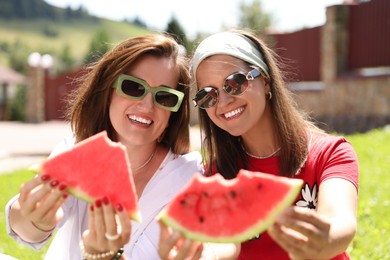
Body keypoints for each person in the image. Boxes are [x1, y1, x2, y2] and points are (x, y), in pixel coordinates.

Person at [160, 30, 359, 260]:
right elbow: (226, 244)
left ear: (265, 80)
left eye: (234, 82)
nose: (223, 101)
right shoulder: (216, 174)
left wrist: (325, 240)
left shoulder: (331, 153)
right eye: (208, 95)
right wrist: (205, 256)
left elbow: (340, 221)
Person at [5, 34, 204, 259]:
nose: (147, 105)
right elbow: (25, 231)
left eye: (165, 97)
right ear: (108, 90)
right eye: (133, 87)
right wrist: (33, 219)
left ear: (174, 111)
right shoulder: (77, 150)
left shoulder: (191, 175)